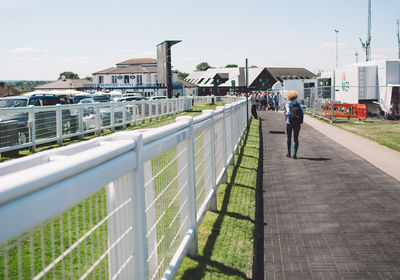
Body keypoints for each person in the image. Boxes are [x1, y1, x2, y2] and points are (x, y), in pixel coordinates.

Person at [284, 90, 304, 159]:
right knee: (296, 139)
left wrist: (285, 113)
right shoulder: (298, 105)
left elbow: (288, 113)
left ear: (289, 97)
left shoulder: (287, 104)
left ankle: (289, 153)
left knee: (289, 138)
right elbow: (303, 113)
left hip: (289, 123)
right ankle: (295, 154)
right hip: (297, 123)